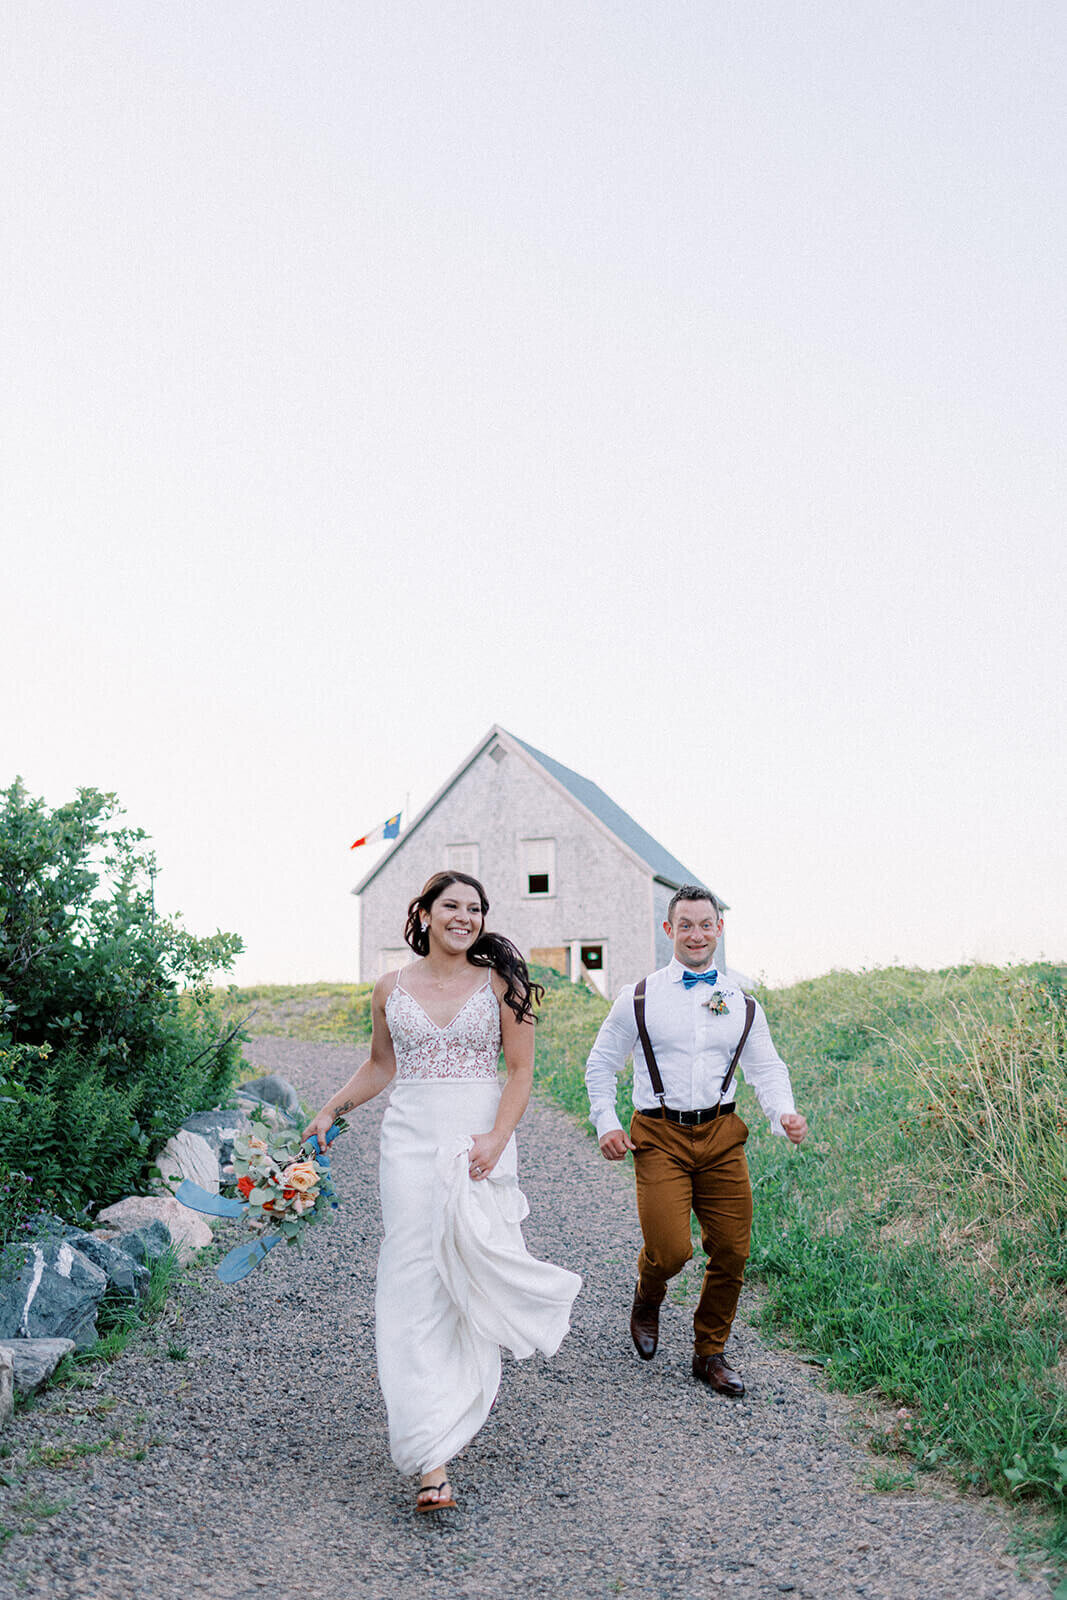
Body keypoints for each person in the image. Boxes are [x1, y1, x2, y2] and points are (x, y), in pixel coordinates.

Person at [304, 871, 581, 1513]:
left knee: (469, 1271)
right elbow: (381, 1066)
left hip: (479, 1142)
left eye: (475, 908)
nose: (464, 916)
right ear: (424, 914)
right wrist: (329, 1111)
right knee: (410, 1280)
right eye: (451, 906)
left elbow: (520, 1070)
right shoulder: (389, 988)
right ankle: (432, 1457)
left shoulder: (504, 986)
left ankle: (461, 1403)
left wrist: (495, 1136)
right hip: (408, 1143)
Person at [584, 885, 807, 1397]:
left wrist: (784, 1114)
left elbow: (766, 1067)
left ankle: (709, 1352)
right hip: (659, 1134)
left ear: (719, 929)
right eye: (685, 924)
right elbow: (601, 1064)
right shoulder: (638, 997)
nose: (697, 934)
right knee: (670, 1250)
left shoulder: (743, 1002)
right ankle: (648, 1291)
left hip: (721, 1135)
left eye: (706, 924)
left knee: (732, 1248)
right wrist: (606, 1121)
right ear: (669, 931)